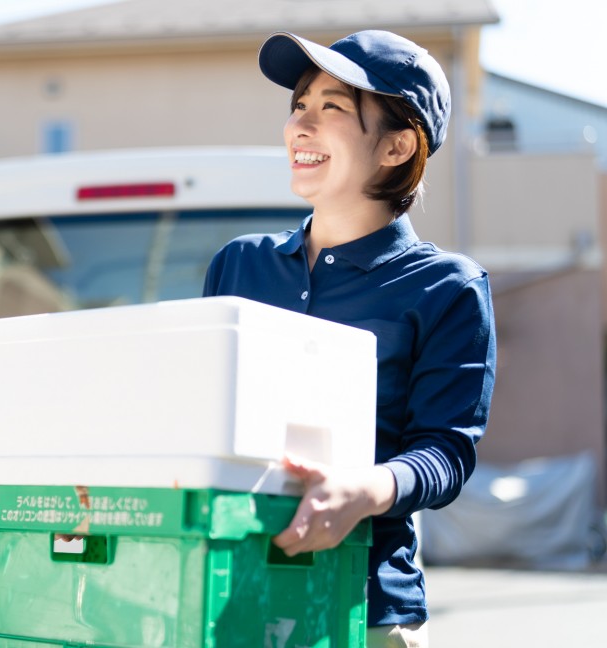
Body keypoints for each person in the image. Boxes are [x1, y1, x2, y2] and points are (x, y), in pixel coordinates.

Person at [202, 30, 496, 647]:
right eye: (297, 106)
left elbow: (445, 453)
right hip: (220, 593)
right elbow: (192, 420)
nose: (300, 127)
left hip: (365, 610)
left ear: (397, 145)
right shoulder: (238, 265)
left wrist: (364, 490)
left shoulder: (448, 287)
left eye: (331, 108)